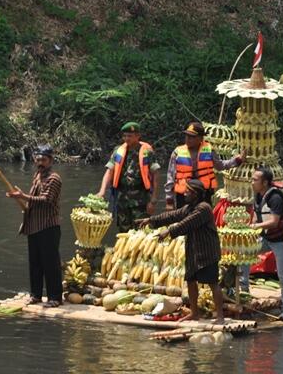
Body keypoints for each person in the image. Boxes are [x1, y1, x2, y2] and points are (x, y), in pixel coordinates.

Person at [136, 179, 225, 323]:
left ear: (195, 194)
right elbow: (172, 215)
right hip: (194, 251)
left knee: (212, 283)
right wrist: (151, 220)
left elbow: (187, 223)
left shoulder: (203, 208)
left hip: (207, 252)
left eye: (188, 191)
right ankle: (194, 313)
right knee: (190, 281)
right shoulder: (189, 207)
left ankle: (220, 316)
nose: (184, 193)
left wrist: (168, 232)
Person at [6, 145, 63, 308]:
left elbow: (47, 200)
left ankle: (55, 297)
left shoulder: (54, 178)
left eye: (44, 160)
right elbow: (34, 197)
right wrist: (19, 197)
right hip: (34, 226)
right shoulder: (38, 175)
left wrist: (23, 196)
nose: (40, 163)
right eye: (38, 159)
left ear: (50, 161)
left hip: (48, 226)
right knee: (35, 262)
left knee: (50, 263)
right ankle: (36, 295)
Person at [164, 121, 245, 210]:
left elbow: (220, 165)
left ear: (200, 138)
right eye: (187, 136)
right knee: (183, 221)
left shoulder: (209, 150)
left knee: (203, 219)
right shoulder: (177, 152)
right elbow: (170, 177)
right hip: (184, 195)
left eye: (192, 137)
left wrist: (237, 160)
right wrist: (169, 201)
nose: (188, 138)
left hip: (204, 194)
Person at [250, 166, 283, 321]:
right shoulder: (257, 196)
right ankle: (242, 291)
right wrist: (249, 231)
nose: (252, 182)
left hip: (281, 240)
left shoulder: (275, 198)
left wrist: (255, 227)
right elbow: (257, 216)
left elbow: (274, 222)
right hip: (265, 238)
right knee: (243, 255)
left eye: (255, 180)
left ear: (265, 183)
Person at [96, 122, 160, 232]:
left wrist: (153, 200)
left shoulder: (147, 152)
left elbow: (156, 174)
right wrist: (102, 191)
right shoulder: (118, 151)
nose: (126, 138)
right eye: (124, 136)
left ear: (138, 136)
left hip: (141, 199)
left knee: (142, 230)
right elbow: (109, 171)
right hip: (122, 199)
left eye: (130, 136)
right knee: (123, 232)